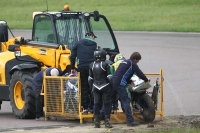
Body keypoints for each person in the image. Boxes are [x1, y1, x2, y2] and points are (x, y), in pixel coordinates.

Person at [112, 52, 148, 126]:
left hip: (114, 81)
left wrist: (129, 81)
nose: (138, 62)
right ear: (135, 59)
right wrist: (146, 79)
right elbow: (139, 73)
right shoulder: (132, 64)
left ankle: (100, 116)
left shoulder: (124, 62)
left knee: (111, 99)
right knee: (126, 100)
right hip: (120, 83)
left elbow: (124, 73)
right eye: (138, 60)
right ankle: (130, 121)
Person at [70, 31, 97, 114]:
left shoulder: (78, 43)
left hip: (81, 67)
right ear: (91, 36)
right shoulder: (94, 44)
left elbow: (72, 56)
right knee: (92, 87)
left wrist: (72, 67)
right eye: (94, 37)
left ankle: (85, 107)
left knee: (83, 87)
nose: (94, 38)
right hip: (91, 68)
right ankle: (93, 106)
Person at [88, 49, 113, 128]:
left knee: (96, 104)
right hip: (105, 86)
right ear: (103, 56)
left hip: (95, 86)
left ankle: (96, 122)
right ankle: (107, 122)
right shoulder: (106, 64)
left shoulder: (91, 65)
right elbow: (110, 78)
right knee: (106, 103)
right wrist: (111, 86)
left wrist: (92, 87)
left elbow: (90, 79)